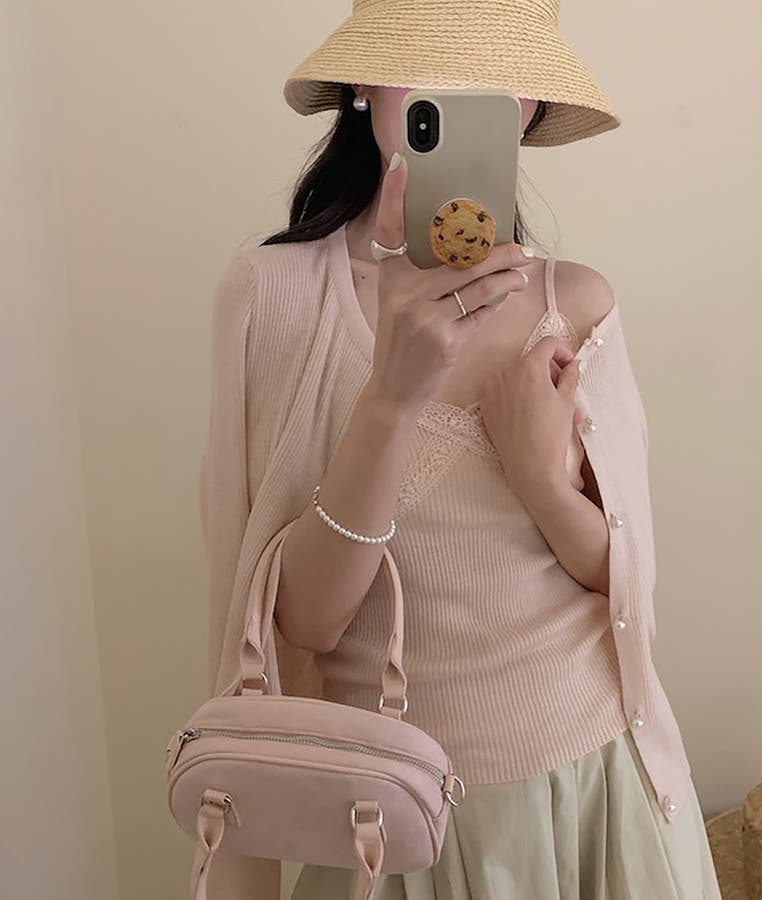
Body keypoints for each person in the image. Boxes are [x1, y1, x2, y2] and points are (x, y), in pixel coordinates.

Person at [199, 2, 724, 898]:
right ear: (363, 85)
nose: (458, 92)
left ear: (527, 107)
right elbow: (306, 626)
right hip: (395, 824)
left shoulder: (577, 305)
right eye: (427, 64)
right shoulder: (275, 299)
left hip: (595, 799)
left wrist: (541, 481)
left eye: (493, 76)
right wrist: (390, 399)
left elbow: (626, 585)